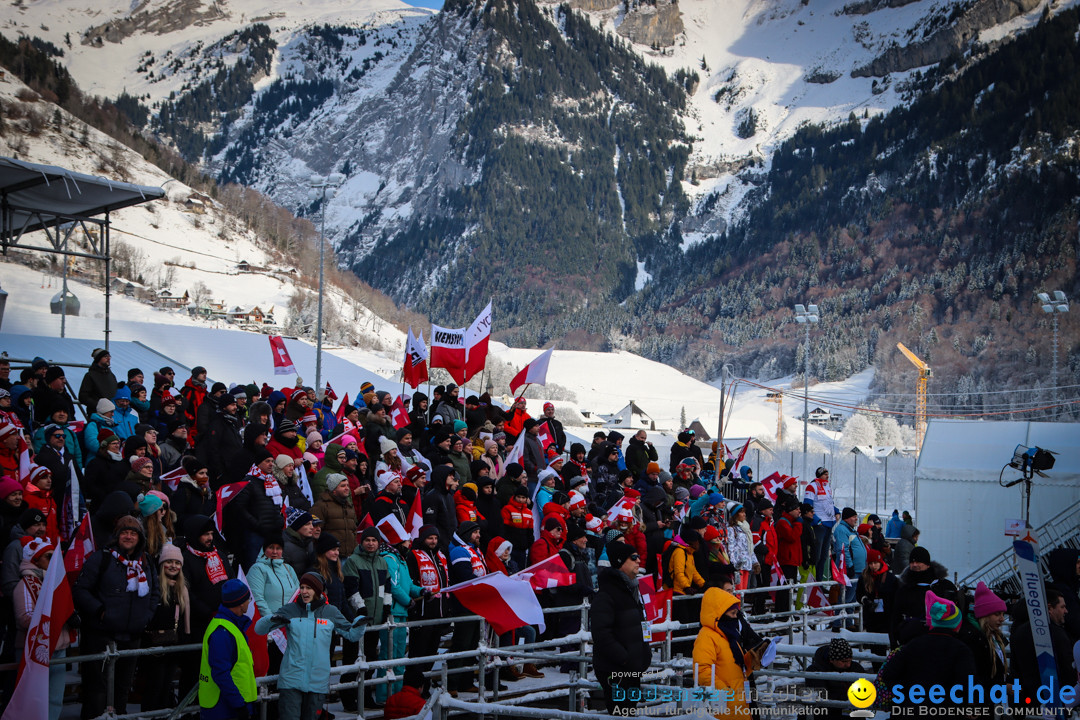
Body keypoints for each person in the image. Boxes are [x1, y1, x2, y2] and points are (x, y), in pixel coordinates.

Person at [74, 515, 161, 720]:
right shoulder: (101, 558)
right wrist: (100, 611)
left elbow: (154, 593)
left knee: (123, 686)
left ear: (140, 538)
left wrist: (146, 617)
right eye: (124, 532)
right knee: (97, 689)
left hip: (132, 635)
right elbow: (81, 590)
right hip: (102, 634)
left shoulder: (146, 562)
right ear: (117, 535)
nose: (128, 536)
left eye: (133, 533)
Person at [256, 572, 366, 720]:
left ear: (318, 590)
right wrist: (270, 619)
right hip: (291, 680)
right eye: (302, 587)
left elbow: (352, 635)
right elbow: (259, 630)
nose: (304, 591)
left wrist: (360, 623)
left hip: (317, 681)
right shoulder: (290, 610)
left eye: (309, 587)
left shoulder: (330, 612)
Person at [880, 591, 976, 714]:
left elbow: (888, 674)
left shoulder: (912, 645)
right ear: (956, 625)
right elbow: (968, 683)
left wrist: (906, 694)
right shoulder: (961, 650)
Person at [14, 537, 76, 720]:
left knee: (55, 698)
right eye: (48, 557)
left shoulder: (57, 583)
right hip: (33, 650)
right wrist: (57, 617)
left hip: (58, 647)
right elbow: (25, 618)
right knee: (33, 699)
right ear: (35, 560)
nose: (54, 560)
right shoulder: (25, 584)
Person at [592, 541, 651, 715]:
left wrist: (644, 651)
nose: (638, 560)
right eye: (633, 557)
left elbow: (643, 622)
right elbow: (601, 633)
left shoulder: (632, 589)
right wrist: (624, 658)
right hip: (615, 669)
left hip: (632, 667)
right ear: (619, 562)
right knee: (620, 713)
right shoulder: (607, 593)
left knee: (629, 712)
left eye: (638, 556)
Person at [141, 543, 191, 712]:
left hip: (172, 646)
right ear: (162, 564)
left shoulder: (181, 589)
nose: (173, 566)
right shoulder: (152, 586)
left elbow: (185, 621)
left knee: (166, 688)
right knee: (153, 689)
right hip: (152, 646)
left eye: (177, 563)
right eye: (169, 561)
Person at [199, 579, 257, 720]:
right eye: (248, 599)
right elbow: (221, 673)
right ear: (240, 603)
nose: (249, 603)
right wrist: (239, 705)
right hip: (224, 708)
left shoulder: (229, 626)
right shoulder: (222, 631)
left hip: (229, 705)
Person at [693, 587, 751, 717]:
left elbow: (737, 667)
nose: (736, 618)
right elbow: (701, 671)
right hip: (725, 705)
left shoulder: (729, 635)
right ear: (720, 614)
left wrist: (754, 658)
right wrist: (725, 692)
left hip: (739, 701)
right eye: (732, 614)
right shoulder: (706, 637)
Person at [1011, 587, 1076, 703]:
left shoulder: (1018, 632)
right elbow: (1067, 669)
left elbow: (1015, 667)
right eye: (1062, 607)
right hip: (1055, 700)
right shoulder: (1057, 634)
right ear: (1050, 608)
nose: (1066, 611)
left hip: (1028, 699)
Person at [963, 582, 1008, 714]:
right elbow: (975, 676)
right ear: (985, 616)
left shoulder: (993, 638)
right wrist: (1003, 687)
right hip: (980, 704)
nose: (1002, 619)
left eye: (1003, 614)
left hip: (989, 700)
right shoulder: (975, 640)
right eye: (997, 614)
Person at [806, 639, 866, 720]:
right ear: (832, 660)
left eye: (850, 661)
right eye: (843, 661)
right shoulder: (815, 670)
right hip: (827, 713)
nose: (848, 664)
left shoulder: (856, 667)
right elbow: (821, 695)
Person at [803, 467, 836, 581]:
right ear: (819, 475)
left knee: (824, 556)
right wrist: (817, 520)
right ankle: (813, 582)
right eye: (825, 474)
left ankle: (820, 583)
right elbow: (807, 504)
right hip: (820, 526)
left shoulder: (827, 487)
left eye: (828, 473)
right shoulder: (812, 486)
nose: (827, 476)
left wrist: (837, 512)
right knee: (816, 555)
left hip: (829, 524)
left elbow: (829, 503)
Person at [856, 549, 896, 633]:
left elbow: (895, 595)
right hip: (870, 615)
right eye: (870, 563)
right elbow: (859, 594)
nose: (873, 566)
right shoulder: (864, 577)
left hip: (886, 616)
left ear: (880, 562)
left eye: (875, 563)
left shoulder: (890, 577)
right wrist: (865, 600)